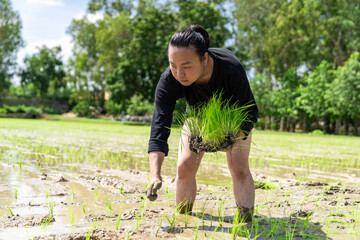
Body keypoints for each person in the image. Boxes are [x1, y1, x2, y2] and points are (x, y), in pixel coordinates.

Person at [146, 25, 258, 221]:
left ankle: (246, 221)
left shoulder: (231, 67)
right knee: (184, 166)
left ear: (204, 58)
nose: (179, 74)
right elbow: (159, 128)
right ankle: (183, 216)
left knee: (239, 168)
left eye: (187, 66)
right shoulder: (169, 81)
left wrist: (232, 136)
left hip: (233, 120)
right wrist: (155, 175)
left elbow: (250, 113)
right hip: (197, 118)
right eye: (173, 65)